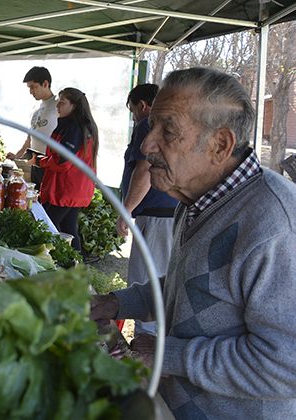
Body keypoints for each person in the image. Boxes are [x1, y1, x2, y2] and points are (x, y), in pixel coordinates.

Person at [92, 67, 296, 418]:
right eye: (151, 124)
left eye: (167, 131)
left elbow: (285, 365)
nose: (147, 144)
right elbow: (194, 287)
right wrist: (115, 303)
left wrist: (168, 355)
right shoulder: (198, 199)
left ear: (220, 144)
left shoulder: (275, 225)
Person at [116, 84, 179, 336]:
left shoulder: (148, 124)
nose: (134, 116)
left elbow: (143, 171)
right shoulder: (165, 127)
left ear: (142, 105)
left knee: (146, 281)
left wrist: (126, 209)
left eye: (132, 110)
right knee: (158, 279)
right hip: (164, 216)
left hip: (156, 217)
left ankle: (148, 348)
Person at [34, 87, 98, 253]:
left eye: (62, 102)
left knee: (47, 225)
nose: (58, 105)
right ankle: (77, 270)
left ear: (74, 106)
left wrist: (41, 162)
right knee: (68, 228)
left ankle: (65, 267)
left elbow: (63, 161)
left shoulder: (74, 128)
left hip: (67, 189)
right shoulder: (73, 126)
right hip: (71, 188)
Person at [6, 66, 58, 186]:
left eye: (33, 87)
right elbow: (30, 138)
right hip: (36, 163)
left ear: (45, 84)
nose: (30, 92)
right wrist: (17, 156)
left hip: (50, 164)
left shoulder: (58, 104)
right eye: (29, 88)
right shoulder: (37, 109)